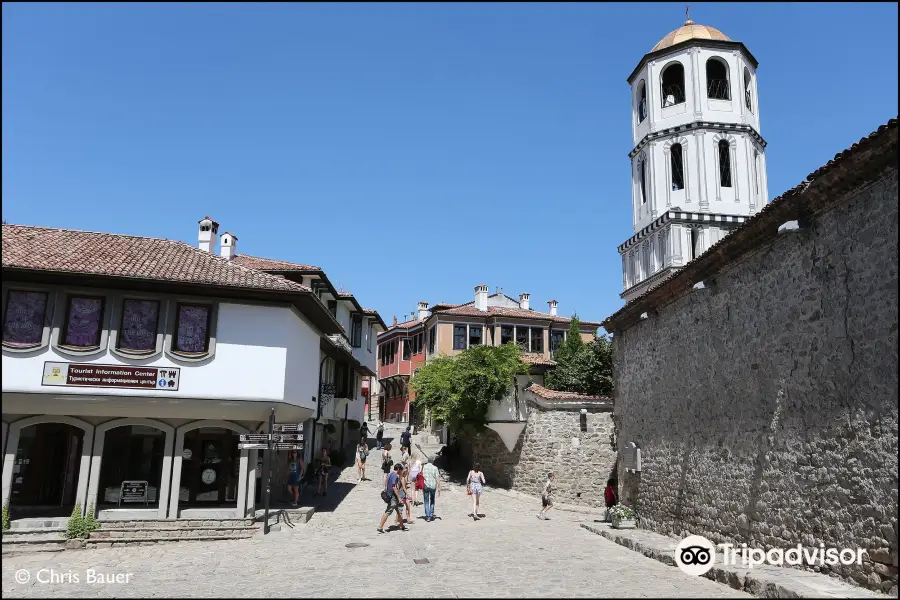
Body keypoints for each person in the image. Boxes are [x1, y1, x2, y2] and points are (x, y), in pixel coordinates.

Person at [377, 464, 407, 533]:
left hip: (392, 496)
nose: (401, 472)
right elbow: (394, 487)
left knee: (399, 511)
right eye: (401, 470)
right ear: (399, 469)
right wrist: (399, 497)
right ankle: (380, 527)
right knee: (388, 511)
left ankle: (402, 526)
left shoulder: (390, 474)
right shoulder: (394, 476)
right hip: (393, 497)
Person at [421, 458, 440, 522]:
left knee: (426, 501)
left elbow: (421, 475)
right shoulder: (435, 468)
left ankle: (428, 517)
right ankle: (431, 513)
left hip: (425, 486)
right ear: (433, 461)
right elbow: (437, 478)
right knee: (432, 500)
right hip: (433, 486)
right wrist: (439, 487)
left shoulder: (423, 467)